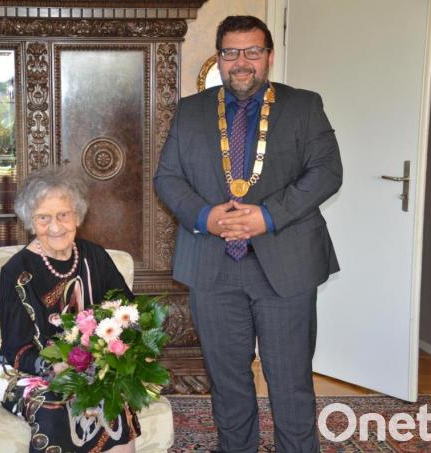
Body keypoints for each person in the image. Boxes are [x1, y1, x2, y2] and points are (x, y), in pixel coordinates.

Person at [154, 15, 342, 452]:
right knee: (227, 379)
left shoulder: (304, 105)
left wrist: (267, 217)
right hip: (212, 266)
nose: (242, 62)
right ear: (219, 58)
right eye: (231, 52)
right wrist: (205, 215)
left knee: (290, 379)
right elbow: (168, 178)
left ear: (269, 56)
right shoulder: (191, 110)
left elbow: (326, 172)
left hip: (286, 265)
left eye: (252, 51)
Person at [0, 167, 139, 453]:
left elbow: (126, 311)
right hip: (22, 371)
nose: (55, 226)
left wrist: (107, 355)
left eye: (63, 215)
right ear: (30, 222)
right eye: (43, 217)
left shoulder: (95, 256)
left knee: (111, 398)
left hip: (90, 364)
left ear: (77, 216)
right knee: (55, 405)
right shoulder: (16, 272)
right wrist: (54, 367)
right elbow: (15, 348)